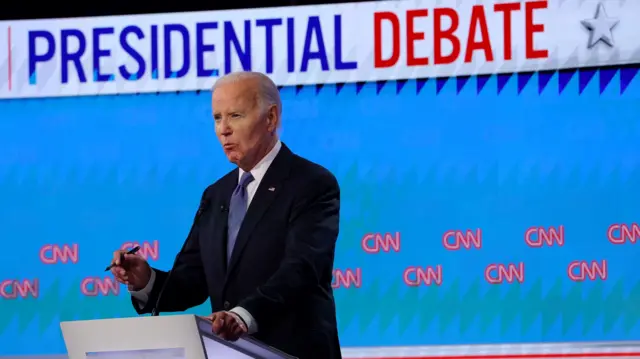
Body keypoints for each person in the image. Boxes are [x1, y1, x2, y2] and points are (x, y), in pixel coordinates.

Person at [110, 71, 342, 359]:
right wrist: (146, 280)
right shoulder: (216, 194)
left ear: (270, 118)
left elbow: (302, 269)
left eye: (235, 115)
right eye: (217, 118)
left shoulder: (311, 183)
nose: (223, 129)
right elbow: (191, 283)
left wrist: (242, 316)